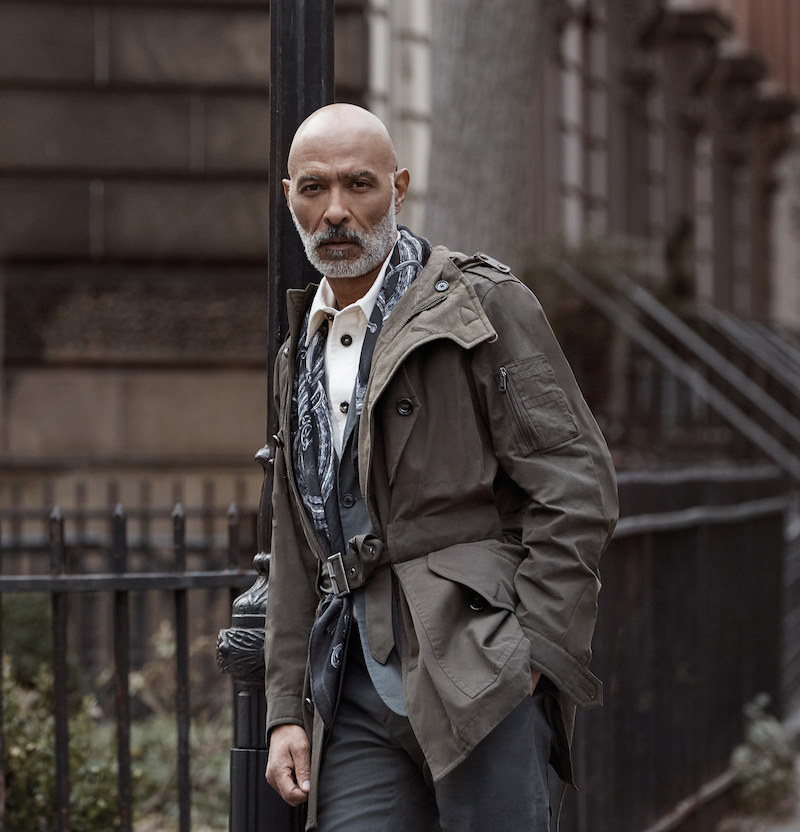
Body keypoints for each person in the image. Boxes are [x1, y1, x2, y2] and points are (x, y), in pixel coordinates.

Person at [264, 102, 618, 832]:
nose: (335, 211)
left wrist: (532, 655)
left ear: (398, 188)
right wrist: (283, 712)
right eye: (313, 189)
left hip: (477, 669)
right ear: (289, 197)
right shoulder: (299, 348)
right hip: (352, 685)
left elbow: (574, 480)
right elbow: (298, 541)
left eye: (359, 185)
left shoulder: (483, 306)